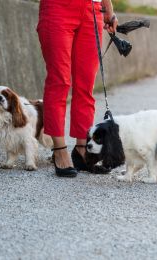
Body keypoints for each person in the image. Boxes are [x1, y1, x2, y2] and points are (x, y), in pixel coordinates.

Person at [37, 0, 118, 177]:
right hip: (58, 8)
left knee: (86, 85)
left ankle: (82, 149)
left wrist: (108, 7)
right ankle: (59, 149)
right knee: (59, 81)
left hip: (92, 9)